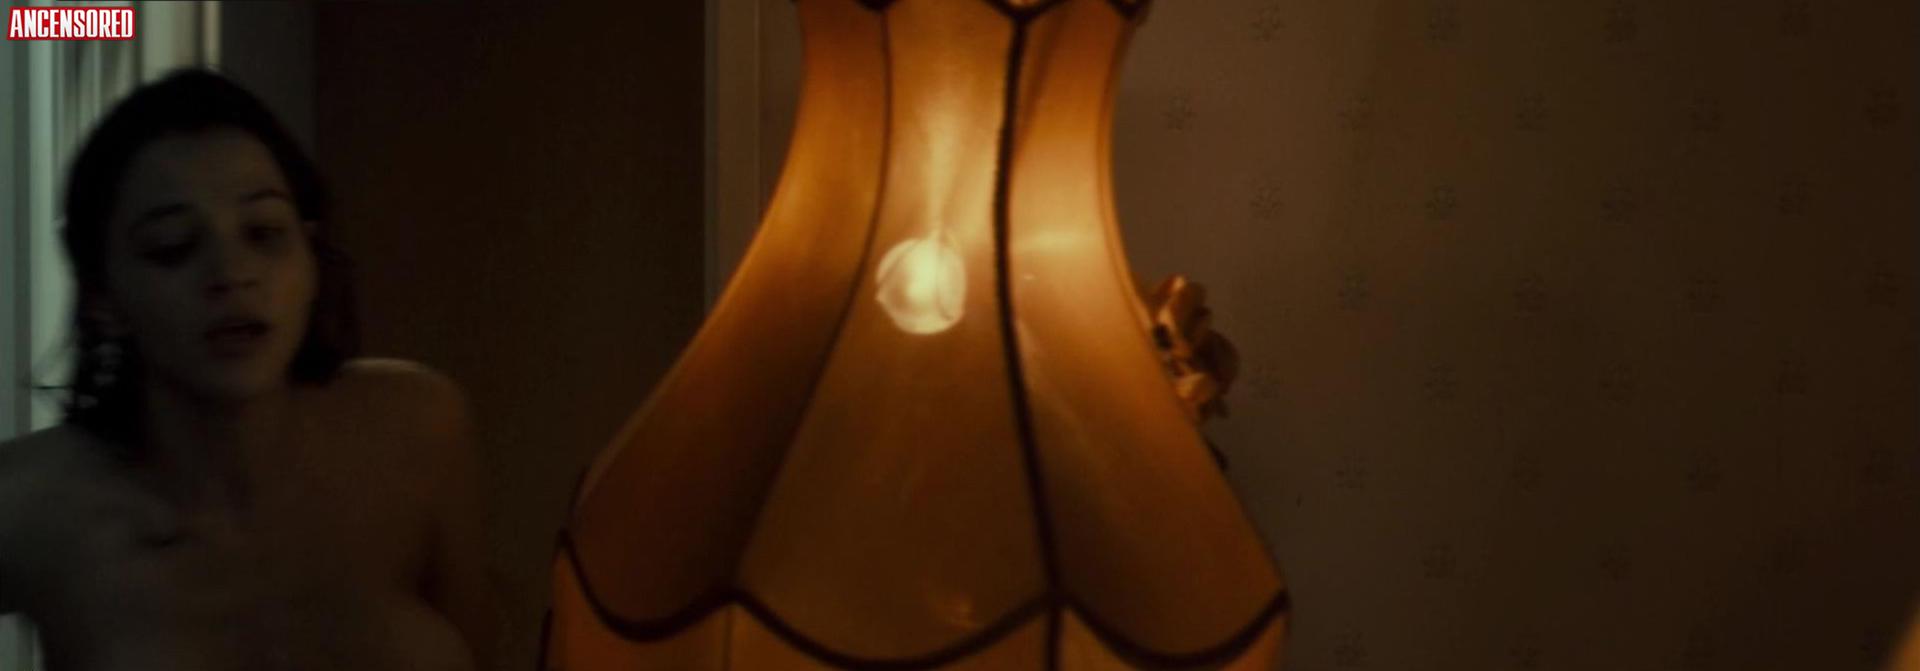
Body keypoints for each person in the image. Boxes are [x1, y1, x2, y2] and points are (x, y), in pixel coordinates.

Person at [0, 69, 495, 670]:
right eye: (174, 246)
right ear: (103, 296)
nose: (231, 274)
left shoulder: (417, 429)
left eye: (264, 233)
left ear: (310, 258)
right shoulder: (35, 501)